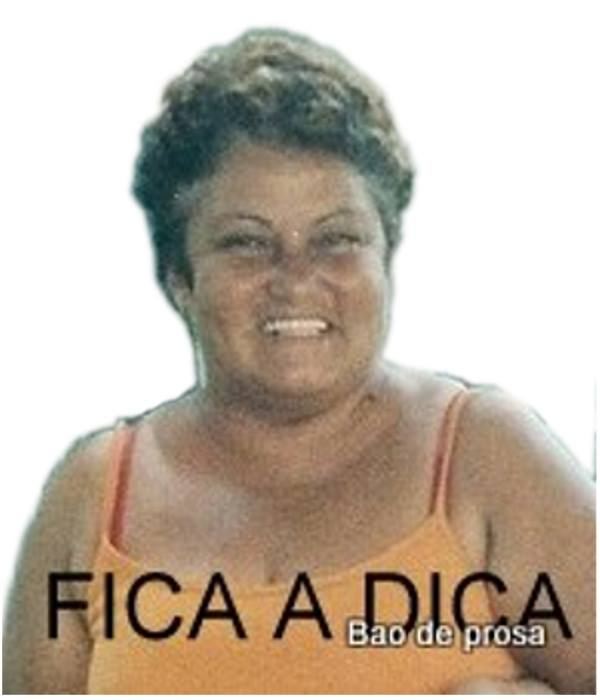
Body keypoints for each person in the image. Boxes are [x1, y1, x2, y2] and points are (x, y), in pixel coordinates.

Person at [3, 28, 594, 694]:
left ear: (385, 260)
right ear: (179, 280)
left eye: (337, 239)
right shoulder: (90, 496)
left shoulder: (488, 457)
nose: (296, 278)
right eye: (246, 243)